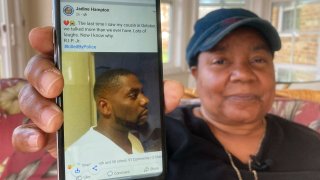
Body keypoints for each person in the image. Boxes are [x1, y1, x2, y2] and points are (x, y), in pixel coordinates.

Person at [14, 8, 320, 180]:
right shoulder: (155, 137)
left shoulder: (312, 145)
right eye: (221, 60)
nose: (243, 74)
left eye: (258, 60)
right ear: (195, 73)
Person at [65, 68, 149, 166]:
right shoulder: (75, 157)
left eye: (142, 93)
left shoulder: (135, 141)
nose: (145, 100)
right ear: (105, 107)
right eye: (133, 95)